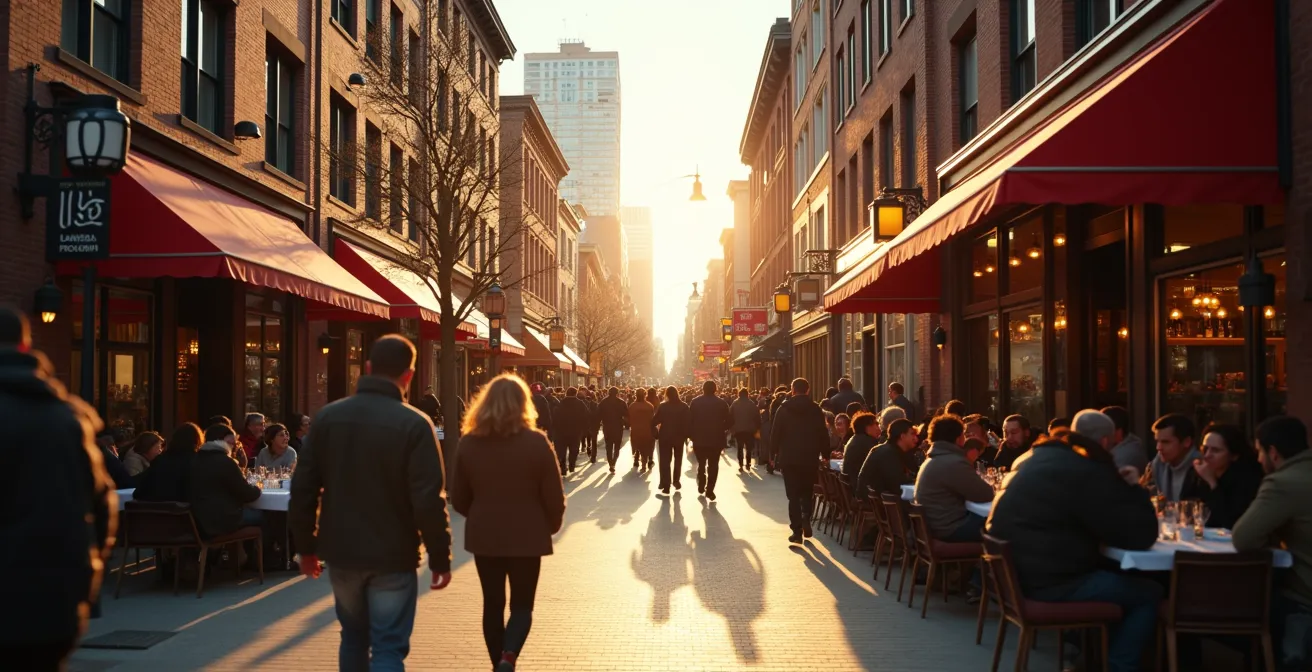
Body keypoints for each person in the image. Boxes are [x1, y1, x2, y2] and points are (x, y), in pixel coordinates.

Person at [289, 335, 453, 670]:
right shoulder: (414, 424)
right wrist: (440, 556)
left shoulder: (328, 418)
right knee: (388, 645)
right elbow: (428, 499)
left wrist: (306, 548)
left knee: (352, 637)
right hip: (394, 553)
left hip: (343, 552)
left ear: (366, 369)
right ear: (408, 376)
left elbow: (303, 489)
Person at [986, 410, 1161, 672]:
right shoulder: (1086, 470)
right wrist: (1135, 489)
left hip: (1019, 579)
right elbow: (1141, 536)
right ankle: (1118, 665)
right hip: (1050, 583)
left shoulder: (1038, 458)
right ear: (1104, 442)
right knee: (1150, 593)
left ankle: (1089, 657)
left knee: (1114, 576)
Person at [0, 307, 115, 670]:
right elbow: (101, 504)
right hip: (51, 605)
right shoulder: (67, 418)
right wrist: (88, 577)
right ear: (25, 344)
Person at [450, 374, 566, 672]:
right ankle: (509, 655)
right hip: (528, 535)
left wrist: (478, 514)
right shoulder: (537, 442)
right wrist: (549, 525)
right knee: (522, 605)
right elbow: (554, 497)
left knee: (492, 604)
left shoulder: (469, 443)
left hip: (485, 534)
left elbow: (459, 496)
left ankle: (498, 663)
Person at [1233, 416, 1312, 670]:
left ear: (1273, 452)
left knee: (1244, 609)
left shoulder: (1282, 483)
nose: (1258, 460)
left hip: (1305, 596)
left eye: (1259, 452)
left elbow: (1244, 538)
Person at [914, 415, 995, 542]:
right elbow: (985, 494)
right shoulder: (953, 462)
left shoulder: (933, 458)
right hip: (950, 529)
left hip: (934, 527)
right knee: (1003, 523)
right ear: (959, 439)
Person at [771, 378, 829, 543]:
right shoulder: (816, 409)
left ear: (792, 390)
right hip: (809, 457)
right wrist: (825, 453)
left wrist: (773, 454)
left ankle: (796, 530)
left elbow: (776, 433)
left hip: (789, 458)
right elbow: (822, 433)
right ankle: (806, 517)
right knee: (807, 491)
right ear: (808, 390)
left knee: (793, 495)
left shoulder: (783, 409)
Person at [189, 424, 263, 538]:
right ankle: (268, 554)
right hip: (223, 520)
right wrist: (258, 488)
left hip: (199, 520)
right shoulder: (225, 462)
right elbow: (248, 494)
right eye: (232, 440)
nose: (234, 443)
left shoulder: (195, 459)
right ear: (222, 439)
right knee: (269, 516)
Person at [1192, 423, 1264, 529]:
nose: (1207, 455)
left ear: (1234, 455)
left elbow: (1230, 522)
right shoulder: (1200, 472)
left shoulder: (1248, 480)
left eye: (1215, 450)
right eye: (1205, 449)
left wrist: (1212, 483)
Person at [1143, 413, 1208, 502]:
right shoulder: (1156, 466)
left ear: (1186, 442)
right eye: (1157, 441)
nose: (1158, 447)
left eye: (1165, 442)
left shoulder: (1202, 470)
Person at [134, 423, 203, 503]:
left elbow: (139, 492)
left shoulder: (159, 461)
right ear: (197, 441)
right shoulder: (197, 462)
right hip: (182, 513)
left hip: (153, 512)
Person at [688, 380, 732, 501]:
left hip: (699, 438)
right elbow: (729, 421)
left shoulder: (695, 402)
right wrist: (722, 428)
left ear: (703, 389)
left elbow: (689, 420)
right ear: (715, 389)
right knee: (713, 465)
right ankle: (710, 489)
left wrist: (691, 435)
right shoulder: (722, 403)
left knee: (701, 463)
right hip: (716, 438)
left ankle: (701, 480)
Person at [859, 418, 920, 497]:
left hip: (873, 504)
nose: (916, 439)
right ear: (902, 436)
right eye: (913, 434)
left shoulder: (890, 450)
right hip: (875, 506)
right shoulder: (888, 454)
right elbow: (897, 486)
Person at [652, 386, 692, 495]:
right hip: (679, 437)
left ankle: (666, 485)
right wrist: (687, 436)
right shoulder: (684, 406)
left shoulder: (663, 406)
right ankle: (676, 481)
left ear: (667, 395)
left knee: (665, 461)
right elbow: (688, 422)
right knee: (678, 459)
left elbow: (654, 421)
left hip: (665, 436)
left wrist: (656, 434)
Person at [552, 387, 589, 475]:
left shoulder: (561, 402)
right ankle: (572, 465)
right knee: (574, 449)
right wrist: (584, 429)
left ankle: (563, 468)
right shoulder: (580, 403)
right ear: (575, 394)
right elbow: (586, 416)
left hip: (561, 432)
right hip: (575, 431)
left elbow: (555, 416)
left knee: (562, 450)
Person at [1101, 405, 1148, 473]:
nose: (1100, 434)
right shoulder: (1126, 447)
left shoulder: (1125, 457)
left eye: (1103, 430)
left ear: (1118, 432)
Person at [841, 412, 880, 490]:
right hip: (861, 491)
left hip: (851, 489)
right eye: (876, 424)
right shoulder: (868, 443)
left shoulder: (855, 439)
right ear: (867, 427)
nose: (879, 428)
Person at [598, 387, 628, 473]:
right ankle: (614, 462)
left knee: (609, 446)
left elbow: (598, 414)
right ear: (617, 393)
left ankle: (610, 463)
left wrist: (598, 423)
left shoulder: (603, 402)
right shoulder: (621, 402)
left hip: (607, 426)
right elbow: (626, 414)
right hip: (618, 427)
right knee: (617, 446)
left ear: (608, 393)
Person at [730, 388, 761, 472]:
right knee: (748, 448)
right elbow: (757, 417)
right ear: (747, 395)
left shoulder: (735, 403)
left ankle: (740, 464)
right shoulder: (751, 404)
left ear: (739, 394)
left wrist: (731, 428)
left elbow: (730, 416)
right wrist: (758, 428)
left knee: (740, 448)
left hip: (738, 429)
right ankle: (748, 463)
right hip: (749, 429)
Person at [627, 388, 657, 472]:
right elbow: (652, 419)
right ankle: (644, 465)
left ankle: (636, 460)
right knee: (645, 447)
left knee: (638, 445)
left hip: (636, 430)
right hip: (647, 430)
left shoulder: (632, 406)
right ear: (645, 395)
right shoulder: (649, 406)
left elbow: (629, 419)